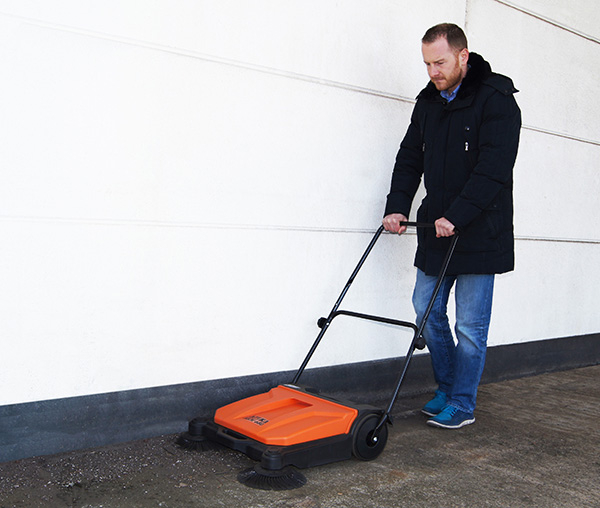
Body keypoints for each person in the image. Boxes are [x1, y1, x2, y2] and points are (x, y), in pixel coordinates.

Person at [382, 23, 521, 429]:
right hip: (436, 227)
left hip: (480, 229)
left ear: (463, 56)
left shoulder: (496, 99)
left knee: (470, 326)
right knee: (425, 309)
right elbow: (409, 157)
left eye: (440, 62)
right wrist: (397, 207)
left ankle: (462, 402)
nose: (433, 72)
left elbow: (494, 168)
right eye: (427, 64)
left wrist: (458, 215)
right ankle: (447, 386)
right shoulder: (428, 102)